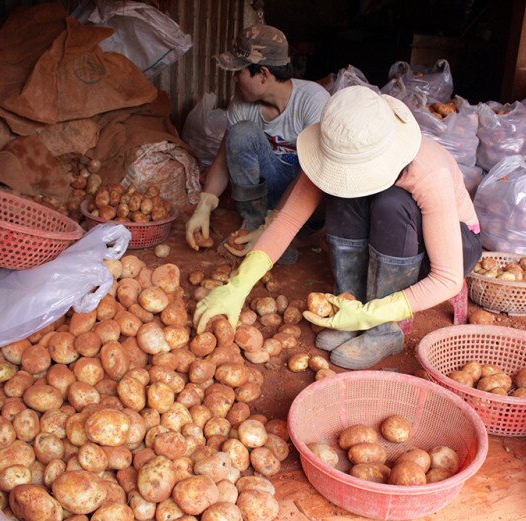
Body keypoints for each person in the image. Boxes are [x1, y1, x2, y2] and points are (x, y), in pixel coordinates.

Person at [193, 86, 482, 370]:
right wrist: (238, 285)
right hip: (389, 240)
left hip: (450, 248)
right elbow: (289, 219)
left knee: (391, 202)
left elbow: (448, 277)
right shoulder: (335, 151)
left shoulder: (427, 171)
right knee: (342, 193)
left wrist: (371, 316)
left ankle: (383, 330)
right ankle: (346, 307)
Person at [185, 24, 330, 262]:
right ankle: (253, 221)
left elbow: (314, 177)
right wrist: (205, 203)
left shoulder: (313, 102)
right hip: (269, 193)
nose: (233, 77)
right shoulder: (242, 103)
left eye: (238, 71)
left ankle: (293, 233)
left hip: (308, 197)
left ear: (263, 74)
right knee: (240, 133)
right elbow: (223, 159)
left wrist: (276, 226)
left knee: (283, 249)